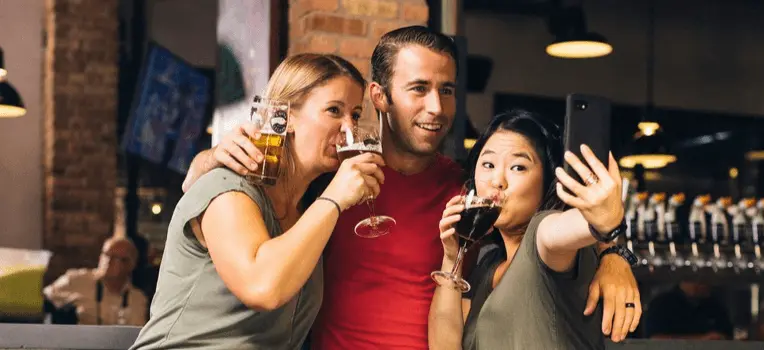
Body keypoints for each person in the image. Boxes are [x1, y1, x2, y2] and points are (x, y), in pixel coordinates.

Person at [182, 26, 641, 348]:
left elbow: (542, 231)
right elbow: (217, 204)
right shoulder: (330, 178)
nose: (436, 107)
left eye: (446, 90)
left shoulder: (470, 187)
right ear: (379, 97)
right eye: (418, 88)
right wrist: (208, 158)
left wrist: (613, 253)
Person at [130, 53, 383, 350]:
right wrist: (334, 198)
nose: (348, 128)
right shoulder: (229, 188)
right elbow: (262, 287)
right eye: (333, 110)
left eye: (354, 114)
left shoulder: (310, 208)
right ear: (284, 117)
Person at [429, 109, 636, 349]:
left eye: (518, 167)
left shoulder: (542, 237)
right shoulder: (488, 264)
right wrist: (452, 256)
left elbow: (565, 229)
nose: (498, 180)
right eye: (488, 164)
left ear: (547, 182)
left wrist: (605, 223)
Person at [43, 236, 147, 326]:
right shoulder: (76, 279)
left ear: (130, 265)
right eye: (106, 254)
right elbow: (42, 299)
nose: (108, 261)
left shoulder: (137, 299)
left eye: (116, 258)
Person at [644, 281, 733, 340]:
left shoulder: (716, 307)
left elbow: (728, 338)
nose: (706, 283)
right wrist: (702, 339)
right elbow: (655, 339)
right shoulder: (662, 304)